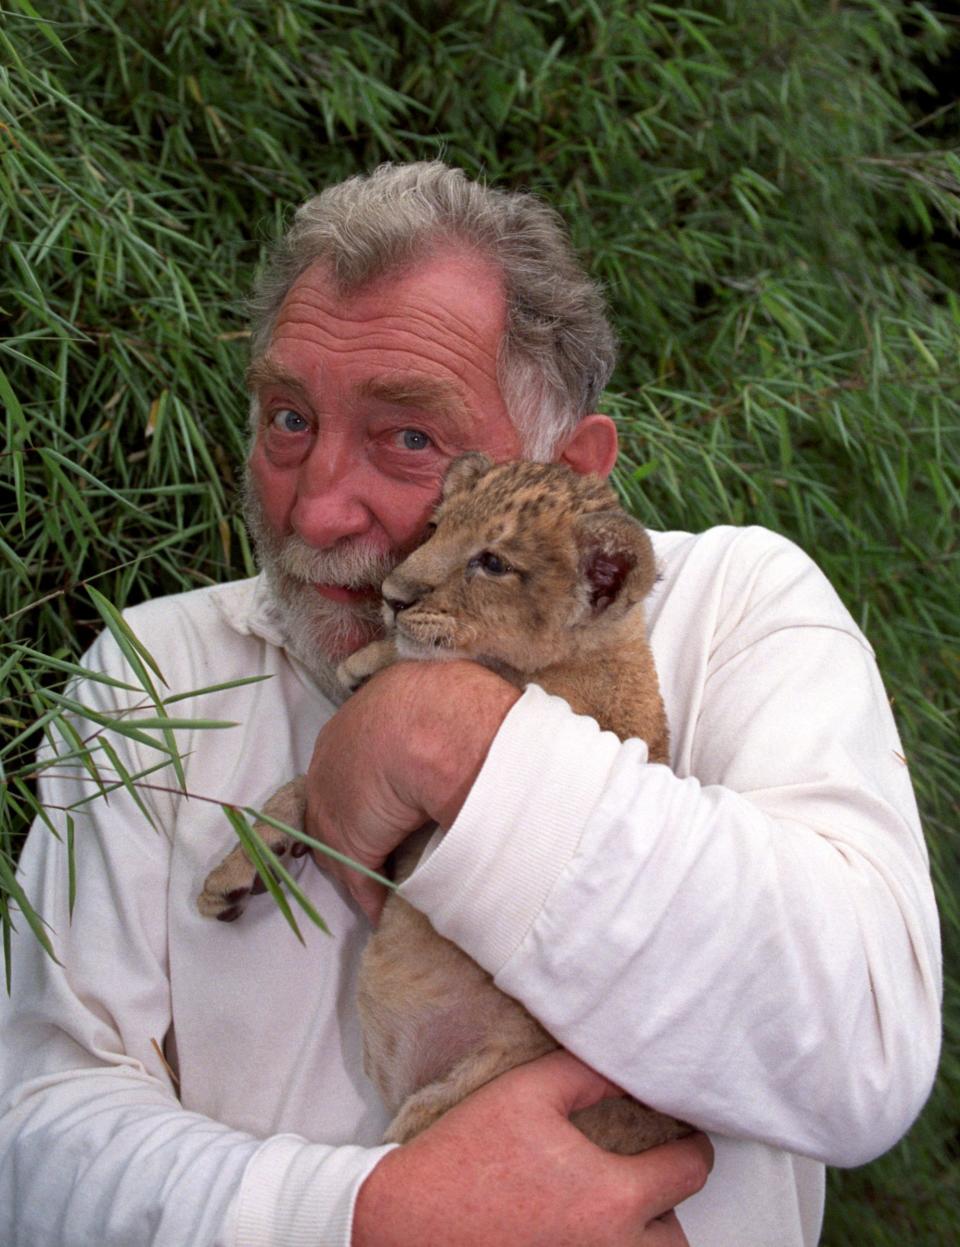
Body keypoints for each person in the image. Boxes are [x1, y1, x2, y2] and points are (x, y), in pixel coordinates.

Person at [0, 162, 941, 1247]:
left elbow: (859, 1049)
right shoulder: (155, 668)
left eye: (411, 437)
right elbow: (32, 1132)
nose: (319, 503)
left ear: (573, 467)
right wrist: (365, 1217)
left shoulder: (734, 610)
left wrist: (450, 737)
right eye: (288, 416)